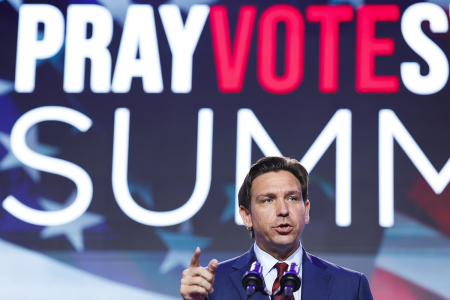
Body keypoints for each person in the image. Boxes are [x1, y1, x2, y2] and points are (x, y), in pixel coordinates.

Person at [180, 156, 373, 300]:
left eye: (292, 198)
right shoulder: (211, 286)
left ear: (305, 211)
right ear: (247, 216)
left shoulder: (350, 287)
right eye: (268, 200)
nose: (283, 210)